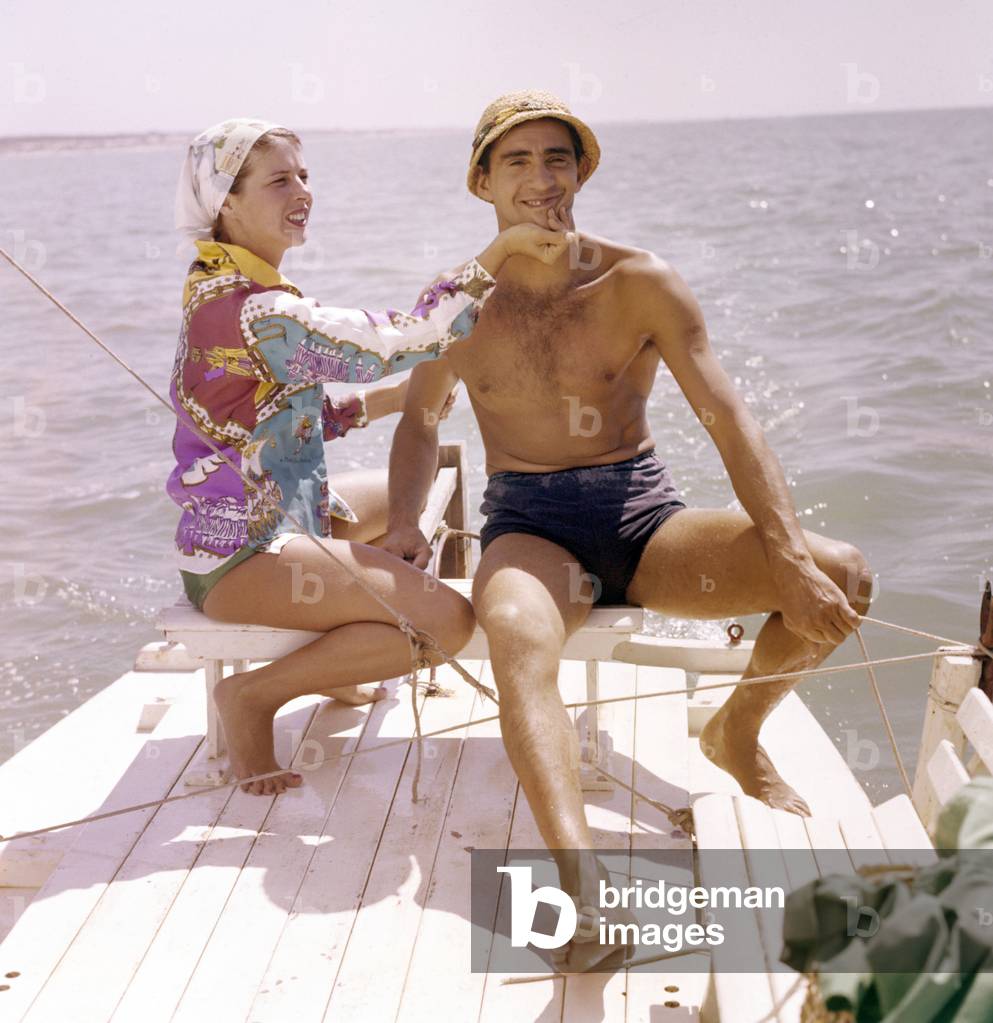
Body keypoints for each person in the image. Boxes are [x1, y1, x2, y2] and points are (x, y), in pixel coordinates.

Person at [382, 92, 874, 971]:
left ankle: (734, 732)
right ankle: (583, 888)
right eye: (517, 161)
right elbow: (420, 421)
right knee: (517, 634)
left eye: (557, 158)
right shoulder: (453, 304)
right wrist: (406, 525)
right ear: (481, 181)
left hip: (642, 519)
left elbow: (727, 419)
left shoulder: (640, 281)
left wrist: (791, 556)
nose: (541, 178)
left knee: (842, 574)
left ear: (580, 172)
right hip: (529, 527)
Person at [167, 117, 571, 796]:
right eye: (278, 180)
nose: (302, 191)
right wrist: (499, 254)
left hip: (277, 514)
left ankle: (342, 654)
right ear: (226, 202)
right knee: (446, 623)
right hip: (241, 555)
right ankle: (255, 695)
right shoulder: (256, 311)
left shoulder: (220, 284)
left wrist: (383, 405)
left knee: (415, 493)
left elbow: (277, 418)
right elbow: (402, 338)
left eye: (303, 175)